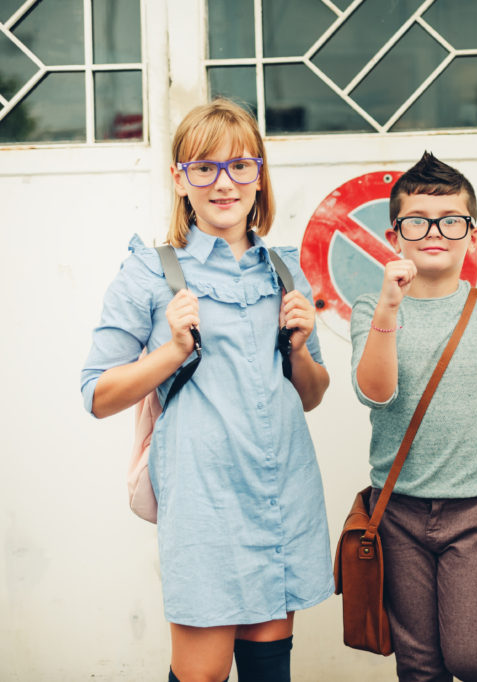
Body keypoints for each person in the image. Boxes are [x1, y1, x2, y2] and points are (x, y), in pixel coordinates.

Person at [80, 99, 333, 682]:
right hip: (205, 504)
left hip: (280, 492)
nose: (224, 183)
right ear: (180, 179)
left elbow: (312, 394)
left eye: (240, 166)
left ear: (259, 173)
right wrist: (171, 352)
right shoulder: (150, 271)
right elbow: (96, 395)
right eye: (204, 168)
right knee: (202, 676)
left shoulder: (286, 269)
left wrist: (298, 347)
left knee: (269, 674)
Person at [350, 151, 477, 682]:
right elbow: (375, 393)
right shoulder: (371, 308)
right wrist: (390, 308)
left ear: (472, 236)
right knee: (420, 663)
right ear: (395, 236)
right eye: (418, 221)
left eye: (451, 221)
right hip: (399, 509)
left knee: (470, 658)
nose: (434, 231)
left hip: (475, 508)